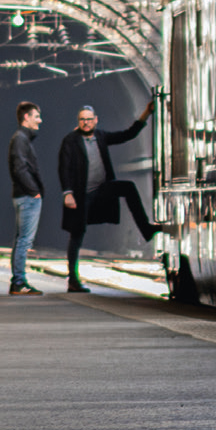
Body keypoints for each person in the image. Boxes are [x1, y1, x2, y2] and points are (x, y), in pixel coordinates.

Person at [56, 99, 158, 293]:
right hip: (80, 194)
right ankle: (73, 281)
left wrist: (146, 113)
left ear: (95, 120)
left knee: (128, 187)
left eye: (88, 119)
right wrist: (67, 193)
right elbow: (64, 168)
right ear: (78, 121)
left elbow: (128, 134)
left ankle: (146, 228)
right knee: (77, 234)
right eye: (82, 120)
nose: (85, 123)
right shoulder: (70, 140)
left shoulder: (101, 136)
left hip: (101, 189)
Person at [7, 102, 44, 295]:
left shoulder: (21, 138)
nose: (40, 120)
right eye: (36, 116)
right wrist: (34, 191)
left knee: (21, 240)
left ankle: (18, 281)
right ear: (26, 117)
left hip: (24, 195)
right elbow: (19, 167)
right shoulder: (21, 139)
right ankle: (19, 282)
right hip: (27, 196)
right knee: (24, 241)